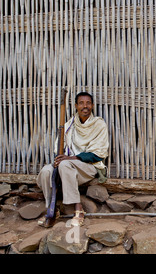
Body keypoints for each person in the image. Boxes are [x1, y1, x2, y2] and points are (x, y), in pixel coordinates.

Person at [37, 91, 109, 227]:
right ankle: (51, 209)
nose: (85, 106)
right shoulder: (70, 125)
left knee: (65, 165)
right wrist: (60, 158)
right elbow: (60, 147)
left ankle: (79, 209)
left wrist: (71, 158)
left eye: (88, 103)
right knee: (47, 170)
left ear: (92, 105)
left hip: (88, 166)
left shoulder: (99, 125)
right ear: (76, 106)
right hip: (68, 166)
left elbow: (98, 154)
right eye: (81, 103)